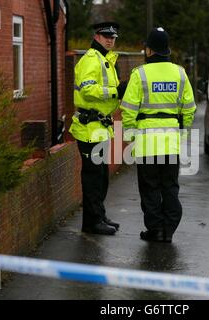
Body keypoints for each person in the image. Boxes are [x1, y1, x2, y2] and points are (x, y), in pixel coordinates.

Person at [120, 27, 196, 243]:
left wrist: (130, 135)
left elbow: (128, 108)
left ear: (150, 50)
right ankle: (169, 229)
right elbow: (189, 108)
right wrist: (181, 132)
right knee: (170, 187)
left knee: (150, 188)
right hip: (170, 143)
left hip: (146, 144)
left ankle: (155, 229)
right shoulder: (180, 73)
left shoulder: (140, 74)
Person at [70, 21, 127, 235]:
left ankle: (99, 216)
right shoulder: (91, 60)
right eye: (106, 37)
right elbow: (88, 91)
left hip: (100, 126)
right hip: (89, 127)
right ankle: (92, 223)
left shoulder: (106, 60)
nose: (110, 40)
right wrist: (116, 91)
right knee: (93, 177)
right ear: (97, 37)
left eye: (113, 37)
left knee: (101, 175)